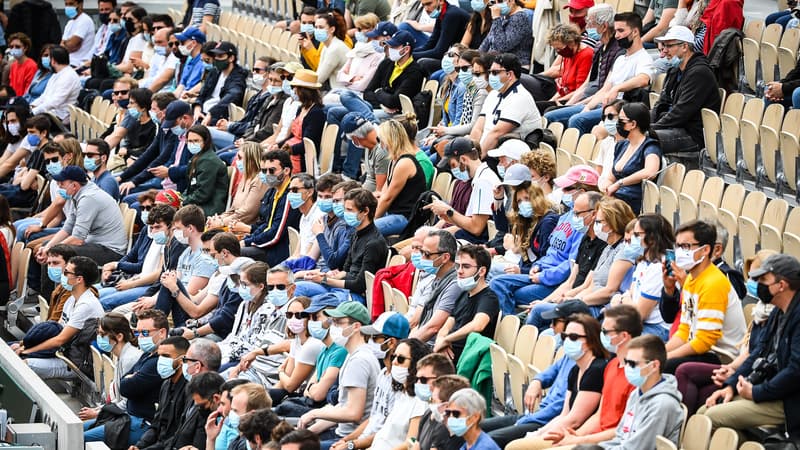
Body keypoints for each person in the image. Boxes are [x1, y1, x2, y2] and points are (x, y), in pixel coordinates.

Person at [700, 254, 800, 436]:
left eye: (763, 279)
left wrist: (756, 392)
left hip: (789, 400)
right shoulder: (778, 312)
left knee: (711, 418)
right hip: (769, 388)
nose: (758, 283)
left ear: (781, 285)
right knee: (703, 411)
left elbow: (795, 371)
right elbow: (757, 353)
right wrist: (730, 385)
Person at [543, 12, 652, 135]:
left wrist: (617, 88)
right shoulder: (620, 58)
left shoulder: (644, 58)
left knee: (577, 120)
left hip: (619, 109)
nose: (616, 35)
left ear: (635, 32)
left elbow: (644, 79)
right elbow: (604, 90)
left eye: (621, 31)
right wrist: (586, 107)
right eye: (616, 31)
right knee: (550, 115)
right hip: (600, 104)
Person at [661, 220, 746, 374]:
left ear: (705, 249)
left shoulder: (713, 283)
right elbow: (684, 330)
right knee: (648, 357)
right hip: (704, 351)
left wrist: (666, 358)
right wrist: (660, 353)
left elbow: (705, 341)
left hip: (722, 357)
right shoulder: (691, 280)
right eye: (678, 246)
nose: (680, 251)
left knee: (665, 367)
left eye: (686, 246)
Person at [84, 309, 168, 445]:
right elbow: (125, 385)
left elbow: (126, 389)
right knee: (77, 430)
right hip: (127, 416)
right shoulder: (146, 355)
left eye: (145, 333)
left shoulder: (154, 361)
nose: (140, 337)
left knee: (80, 438)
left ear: (162, 333)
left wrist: (100, 412)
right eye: (137, 332)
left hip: (140, 422)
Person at [298, 302, 379, 443]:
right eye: (333, 322)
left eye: (339, 322)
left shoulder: (359, 360)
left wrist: (314, 413)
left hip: (349, 439)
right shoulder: (351, 354)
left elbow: (353, 413)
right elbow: (342, 405)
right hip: (339, 432)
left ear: (356, 327)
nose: (332, 327)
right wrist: (310, 431)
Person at [294, 188, 389, 304]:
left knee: (313, 302)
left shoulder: (374, 243)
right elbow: (346, 270)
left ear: (365, 211)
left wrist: (325, 280)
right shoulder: (355, 233)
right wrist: (324, 275)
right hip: (341, 287)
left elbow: (360, 285)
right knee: (295, 288)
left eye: (350, 210)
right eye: (345, 209)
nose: (345, 214)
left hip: (356, 295)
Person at [16, 256, 104, 379]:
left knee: (21, 363)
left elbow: (60, 339)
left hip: (75, 363)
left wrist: (28, 351)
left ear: (79, 279)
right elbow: (57, 329)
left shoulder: (87, 305)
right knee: (10, 349)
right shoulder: (72, 298)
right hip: (63, 352)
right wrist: (23, 345)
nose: (63, 274)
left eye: (67, 272)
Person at [650, 25, 721, 160]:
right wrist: (645, 123)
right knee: (631, 127)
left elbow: (682, 112)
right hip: (674, 127)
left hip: (692, 134)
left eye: (669, 46)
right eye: (664, 46)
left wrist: (651, 128)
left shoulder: (700, 73)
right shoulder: (674, 70)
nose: (664, 51)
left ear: (684, 47)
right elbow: (661, 103)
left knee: (643, 138)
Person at [34, 166, 127, 267]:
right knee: (46, 246)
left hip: (111, 251)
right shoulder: (80, 194)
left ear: (74, 185)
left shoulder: (88, 198)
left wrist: (52, 250)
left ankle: (57, 282)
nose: (59, 187)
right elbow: (68, 228)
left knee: (57, 253)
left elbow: (77, 239)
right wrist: (48, 247)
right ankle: (47, 282)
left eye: (62, 184)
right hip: (95, 243)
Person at [99, 204, 175, 310]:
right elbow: (135, 258)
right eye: (152, 228)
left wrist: (132, 284)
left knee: (105, 302)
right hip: (139, 279)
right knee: (94, 292)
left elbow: (158, 274)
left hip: (149, 286)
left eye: (158, 227)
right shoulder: (155, 237)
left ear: (171, 225)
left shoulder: (170, 244)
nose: (153, 232)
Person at [612, 214, 674, 341]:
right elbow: (631, 293)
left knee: (614, 338)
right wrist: (626, 300)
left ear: (651, 238)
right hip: (638, 321)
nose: (633, 239)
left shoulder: (659, 268)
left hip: (657, 329)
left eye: (636, 235)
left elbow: (639, 314)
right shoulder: (643, 262)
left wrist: (623, 300)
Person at [428, 137, 501, 243]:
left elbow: (476, 228)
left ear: (463, 159)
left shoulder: (483, 181)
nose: (453, 170)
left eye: (453, 165)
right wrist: (449, 217)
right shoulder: (480, 178)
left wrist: (448, 210)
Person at [434, 245, 499, 363]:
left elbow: (478, 325)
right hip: (448, 354)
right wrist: (441, 340)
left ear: (482, 271)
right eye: (458, 266)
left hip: (468, 359)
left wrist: (447, 339)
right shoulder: (463, 293)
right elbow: (448, 324)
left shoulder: (489, 298)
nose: (459, 271)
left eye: (466, 266)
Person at [469, 53, 541, 154]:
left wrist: (477, 161)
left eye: (495, 72)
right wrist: (469, 153)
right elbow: (478, 128)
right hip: (486, 149)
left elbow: (496, 134)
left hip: (506, 155)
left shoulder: (520, 98)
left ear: (510, 74)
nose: (490, 76)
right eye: (490, 72)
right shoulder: (493, 94)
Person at [236, 150, 298, 267]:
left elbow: (276, 234)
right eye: (264, 171)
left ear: (286, 170)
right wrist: (248, 239)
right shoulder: (273, 191)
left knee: (234, 253)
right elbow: (266, 224)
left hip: (278, 251)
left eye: (272, 170)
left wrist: (248, 242)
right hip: (268, 245)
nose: (268, 174)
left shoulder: (290, 195)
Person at [597, 102, 661, 214]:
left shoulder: (650, 146)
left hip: (632, 203)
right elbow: (611, 177)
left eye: (621, 121)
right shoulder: (622, 145)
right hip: (614, 199)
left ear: (633, 124)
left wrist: (619, 183)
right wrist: (606, 184)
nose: (617, 124)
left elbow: (650, 172)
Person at [79, 313, 143, 422]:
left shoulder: (130, 359)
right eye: (98, 333)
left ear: (119, 336)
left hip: (129, 418)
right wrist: (98, 409)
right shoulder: (119, 355)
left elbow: (127, 402)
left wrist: (97, 413)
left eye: (103, 334)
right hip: (118, 414)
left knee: (81, 435)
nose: (99, 337)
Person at [132, 335, 190, 450]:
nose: (161, 361)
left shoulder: (189, 389)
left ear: (182, 360)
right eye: (159, 356)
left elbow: (179, 435)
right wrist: (140, 446)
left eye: (166, 356)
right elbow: (156, 424)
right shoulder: (166, 384)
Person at [374, 119, 427, 236]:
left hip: (405, 217)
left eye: (380, 140)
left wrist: (369, 223)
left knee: (365, 231)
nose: (380, 144)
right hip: (393, 213)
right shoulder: (394, 160)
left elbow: (387, 199)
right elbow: (383, 193)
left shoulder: (405, 163)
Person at [409, 230, 461, 343]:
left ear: (445, 257)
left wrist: (407, 346)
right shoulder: (436, 278)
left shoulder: (455, 283)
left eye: (427, 254)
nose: (422, 258)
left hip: (433, 347)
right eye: (421, 252)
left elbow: (433, 328)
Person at [209, 142, 268, 226]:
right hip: (232, 223)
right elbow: (233, 209)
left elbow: (248, 213)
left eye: (240, 158)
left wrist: (222, 223)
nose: (237, 161)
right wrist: (218, 218)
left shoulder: (260, 181)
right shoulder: (245, 176)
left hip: (245, 227)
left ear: (251, 160)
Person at [280, 69, 326, 173]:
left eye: (296, 88)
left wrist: (289, 150)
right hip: (289, 150)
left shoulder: (316, 113)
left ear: (304, 91)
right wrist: (278, 145)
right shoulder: (300, 108)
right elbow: (292, 135)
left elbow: (309, 143)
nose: (294, 91)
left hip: (301, 157)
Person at [193, 41, 249, 126]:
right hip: (203, 112)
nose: (217, 59)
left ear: (231, 58)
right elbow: (202, 94)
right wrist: (197, 109)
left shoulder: (238, 77)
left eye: (220, 56)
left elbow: (232, 95)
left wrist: (211, 113)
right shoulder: (214, 72)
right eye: (215, 56)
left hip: (219, 117)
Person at [180, 125, 229, 216]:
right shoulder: (197, 157)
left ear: (205, 141)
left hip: (209, 208)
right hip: (198, 205)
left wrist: (183, 201)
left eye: (196, 141)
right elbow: (191, 187)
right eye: (190, 141)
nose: (193, 144)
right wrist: (181, 198)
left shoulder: (209, 161)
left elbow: (203, 194)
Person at [478, 0, 533, 72]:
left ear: (512, 1)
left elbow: (502, 46)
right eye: (495, 2)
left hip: (514, 68)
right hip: (497, 65)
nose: (497, 5)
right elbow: (488, 40)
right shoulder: (504, 16)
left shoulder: (520, 17)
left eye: (500, 1)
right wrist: (476, 57)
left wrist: (496, 18)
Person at [340, 113, 389, 192]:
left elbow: (380, 192)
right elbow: (370, 179)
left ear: (355, 139)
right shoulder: (369, 145)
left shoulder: (382, 150)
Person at [30, 46, 81, 123]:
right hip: (49, 112)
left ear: (53, 60)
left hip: (60, 116)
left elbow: (55, 102)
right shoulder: (55, 74)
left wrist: (34, 112)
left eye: (48, 57)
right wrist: (32, 106)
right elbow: (44, 96)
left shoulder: (69, 76)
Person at [412, 0, 470, 66]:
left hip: (467, 61)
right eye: (423, 5)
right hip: (458, 57)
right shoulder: (442, 14)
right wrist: (408, 53)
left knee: (423, 63)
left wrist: (410, 56)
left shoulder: (451, 15)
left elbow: (439, 52)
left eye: (429, 4)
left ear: (441, 1)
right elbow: (430, 45)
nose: (426, 9)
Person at [288, 173, 326, 257]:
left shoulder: (318, 216)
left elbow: (308, 256)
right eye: (289, 190)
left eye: (294, 190)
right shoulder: (303, 216)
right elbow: (297, 253)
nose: (290, 194)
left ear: (310, 192)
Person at [313, 12, 349, 91]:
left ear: (332, 29)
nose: (317, 30)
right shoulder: (326, 46)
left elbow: (319, 79)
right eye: (316, 27)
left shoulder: (335, 49)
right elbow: (318, 73)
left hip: (341, 91)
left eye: (321, 27)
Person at [61, 0, 95, 68]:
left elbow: (72, 44)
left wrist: (67, 43)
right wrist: (68, 44)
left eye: (71, 4)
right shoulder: (69, 23)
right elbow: (62, 48)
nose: (68, 7)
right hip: (67, 63)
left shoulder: (85, 20)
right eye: (66, 4)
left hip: (79, 64)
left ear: (80, 4)